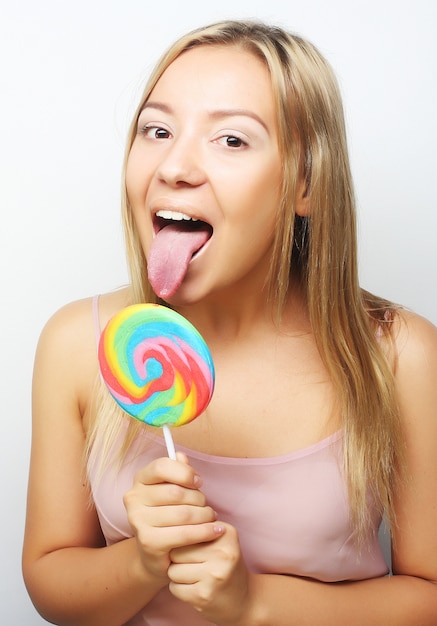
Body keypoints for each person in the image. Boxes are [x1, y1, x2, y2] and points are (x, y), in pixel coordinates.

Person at [22, 20, 437, 626]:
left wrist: (254, 603)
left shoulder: (399, 357)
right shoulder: (78, 346)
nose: (175, 166)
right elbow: (50, 580)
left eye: (232, 140)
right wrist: (142, 563)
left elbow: (429, 597)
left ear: (305, 183)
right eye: (157, 130)